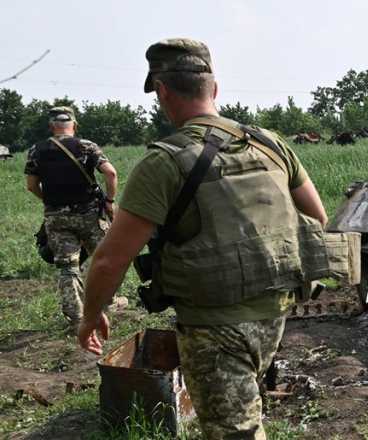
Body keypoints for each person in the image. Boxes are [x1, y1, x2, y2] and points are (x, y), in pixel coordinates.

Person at [77, 38, 330, 439]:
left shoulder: (164, 162)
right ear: (214, 88)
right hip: (275, 311)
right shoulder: (270, 144)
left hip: (214, 326)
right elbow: (317, 218)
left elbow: (110, 260)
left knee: (234, 431)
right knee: (244, 412)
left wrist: (92, 314)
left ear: (161, 91)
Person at [24, 106, 117, 330]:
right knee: (102, 259)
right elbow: (111, 173)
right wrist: (109, 201)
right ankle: (106, 302)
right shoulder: (87, 146)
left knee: (68, 267)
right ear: (74, 125)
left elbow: (31, 185)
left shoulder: (37, 150)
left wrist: (50, 201)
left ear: (51, 127)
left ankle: (77, 318)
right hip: (90, 215)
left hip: (57, 218)